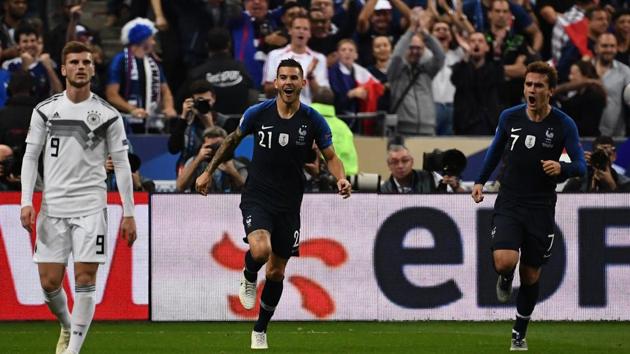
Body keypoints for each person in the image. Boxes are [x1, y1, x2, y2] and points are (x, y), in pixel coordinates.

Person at [194, 58, 351, 349]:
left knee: (277, 272)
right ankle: (248, 273)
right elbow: (231, 140)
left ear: (303, 83)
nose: (288, 82)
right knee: (260, 249)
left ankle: (260, 329)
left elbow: (330, 156)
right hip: (258, 196)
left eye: (294, 77)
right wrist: (207, 171)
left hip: (290, 203)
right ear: (276, 83)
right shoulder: (258, 113)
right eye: (283, 77)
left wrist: (341, 178)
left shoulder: (313, 119)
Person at [19, 41, 137, 354]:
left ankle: (72, 350)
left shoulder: (108, 114)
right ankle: (68, 325)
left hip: (91, 207)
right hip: (53, 206)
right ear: (64, 68)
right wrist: (26, 201)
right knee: (49, 283)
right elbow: (30, 156)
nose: (80, 67)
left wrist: (129, 212)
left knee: (85, 278)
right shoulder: (45, 110)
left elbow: (122, 164)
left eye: (86, 62)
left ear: (93, 68)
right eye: (74, 62)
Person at [471, 61, 586, 351]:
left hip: (541, 206)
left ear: (550, 91)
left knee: (532, 275)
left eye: (538, 85)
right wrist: (479, 181)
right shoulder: (509, 117)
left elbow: (581, 166)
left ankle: (519, 332)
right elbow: (495, 150)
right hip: (510, 200)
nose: (531, 90)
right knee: (505, 261)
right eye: (528, 84)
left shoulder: (563, 124)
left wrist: (562, 168)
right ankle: (505, 277)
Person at [388, 7, 444, 136]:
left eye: (419, 48)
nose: (415, 51)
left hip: (428, 127)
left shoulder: (427, 70)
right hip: (403, 129)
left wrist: (425, 33)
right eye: (411, 48)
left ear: (424, 49)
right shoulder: (396, 71)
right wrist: (411, 30)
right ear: (405, 49)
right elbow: (396, 56)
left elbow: (440, 56)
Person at [262, 14, 329, 105]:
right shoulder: (274, 55)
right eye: (297, 28)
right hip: (280, 112)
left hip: (307, 112)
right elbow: (268, 90)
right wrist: (290, 81)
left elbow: (322, 97)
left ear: (310, 33)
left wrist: (310, 76)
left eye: (305, 29)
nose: (301, 31)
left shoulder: (319, 59)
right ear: (290, 31)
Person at [176, 126, 246, 192]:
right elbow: (180, 187)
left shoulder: (236, 164)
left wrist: (232, 172)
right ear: (203, 145)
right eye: (211, 146)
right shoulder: (194, 162)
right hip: (201, 203)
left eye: (219, 146)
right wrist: (198, 160)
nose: (216, 151)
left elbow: (247, 190)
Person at [563, 135, 630, 192]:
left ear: (614, 156)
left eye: (608, 154)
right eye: (600, 154)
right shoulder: (581, 179)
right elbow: (565, 199)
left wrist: (611, 184)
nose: (604, 158)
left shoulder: (625, 182)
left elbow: (625, 205)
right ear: (593, 156)